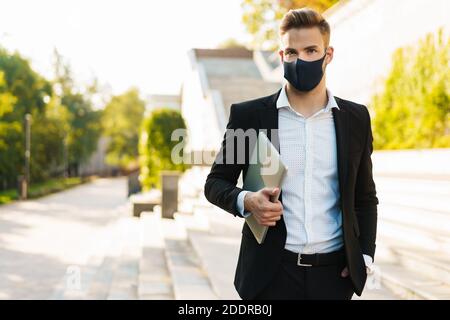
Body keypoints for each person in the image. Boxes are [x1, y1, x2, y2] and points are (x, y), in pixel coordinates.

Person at [204, 7, 378, 300]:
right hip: (270, 276)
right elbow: (215, 183)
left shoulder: (355, 118)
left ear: (328, 54)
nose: (301, 60)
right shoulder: (249, 116)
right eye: (292, 52)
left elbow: (364, 197)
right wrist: (246, 200)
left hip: (334, 277)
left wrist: (365, 256)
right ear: (281, 56)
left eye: (311, 50)